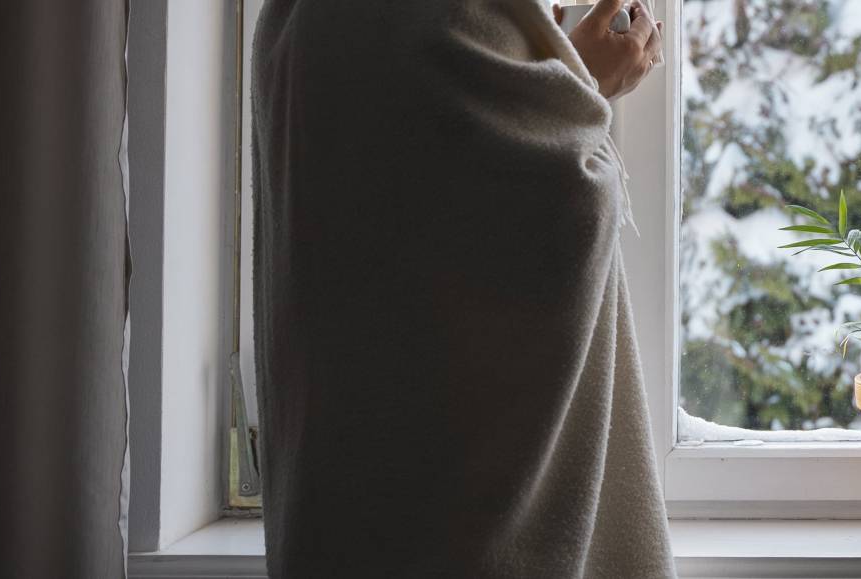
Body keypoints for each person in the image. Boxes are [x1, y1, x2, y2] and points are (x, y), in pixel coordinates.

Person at [250, 1, 670, 577]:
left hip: (338, 490)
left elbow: (407, 192)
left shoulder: (295, 14)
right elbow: (559, 215)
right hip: (444, 519)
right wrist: (581, 86)